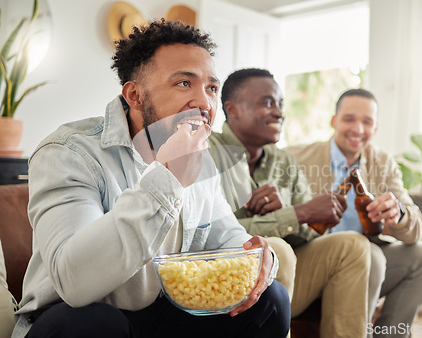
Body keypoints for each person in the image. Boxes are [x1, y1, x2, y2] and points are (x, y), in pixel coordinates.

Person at [11, 21, 290, 338]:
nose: (204, 103)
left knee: (271, 301)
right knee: (94, 324)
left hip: (163, 315)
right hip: (72, 316)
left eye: (211, 88)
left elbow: (228, 241)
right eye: (184, 83)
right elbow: (75, 284)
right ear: (135, 96)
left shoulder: (202, 158)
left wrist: (255, 257)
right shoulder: (69, 152)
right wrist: (169, 179)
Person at [209, 68, 371, 338]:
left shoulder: (283, 160)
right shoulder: (208, 152)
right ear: (232, 109)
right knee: (276, 250)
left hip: (286, 279)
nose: (279, 112)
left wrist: (290, 214)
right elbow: (216, 234)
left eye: (281, 104)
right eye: (267, 103)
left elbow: (312, 232)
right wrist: (296, 213)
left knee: (352, 245)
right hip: (225, 276)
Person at [286, 88, 422, 337]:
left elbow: (416, 227)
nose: (358, 129)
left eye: (367, 122)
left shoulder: (383, 162)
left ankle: (389, 334)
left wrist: (399, 215)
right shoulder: (296, 158)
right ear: (334, 121)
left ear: (375, 127)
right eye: (349, 119)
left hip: (369, 261)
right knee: (369, 254)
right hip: (315, 260)